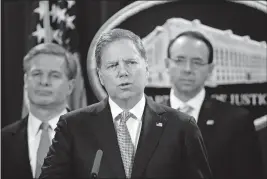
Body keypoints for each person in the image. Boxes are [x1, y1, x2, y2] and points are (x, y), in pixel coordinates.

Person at [38, 28, 212, 179]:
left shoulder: (182, 126)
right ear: (100, 77)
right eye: (113, 65)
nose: (123, 72)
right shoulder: (73, 126)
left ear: (146, 68)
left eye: (131, 62)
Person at [163, 30, 264, 179]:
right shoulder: (143, 118)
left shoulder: (237, 121)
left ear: (210, 70)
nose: (188, 69)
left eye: (197, 62)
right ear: (167, 64)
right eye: (179, 60)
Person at [1, 43, 77, 179]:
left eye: (54, 75)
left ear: (70, 86)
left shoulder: (92, 137)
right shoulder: (3, 140)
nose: (44, 81)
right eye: (37, 74)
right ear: (25, 80)